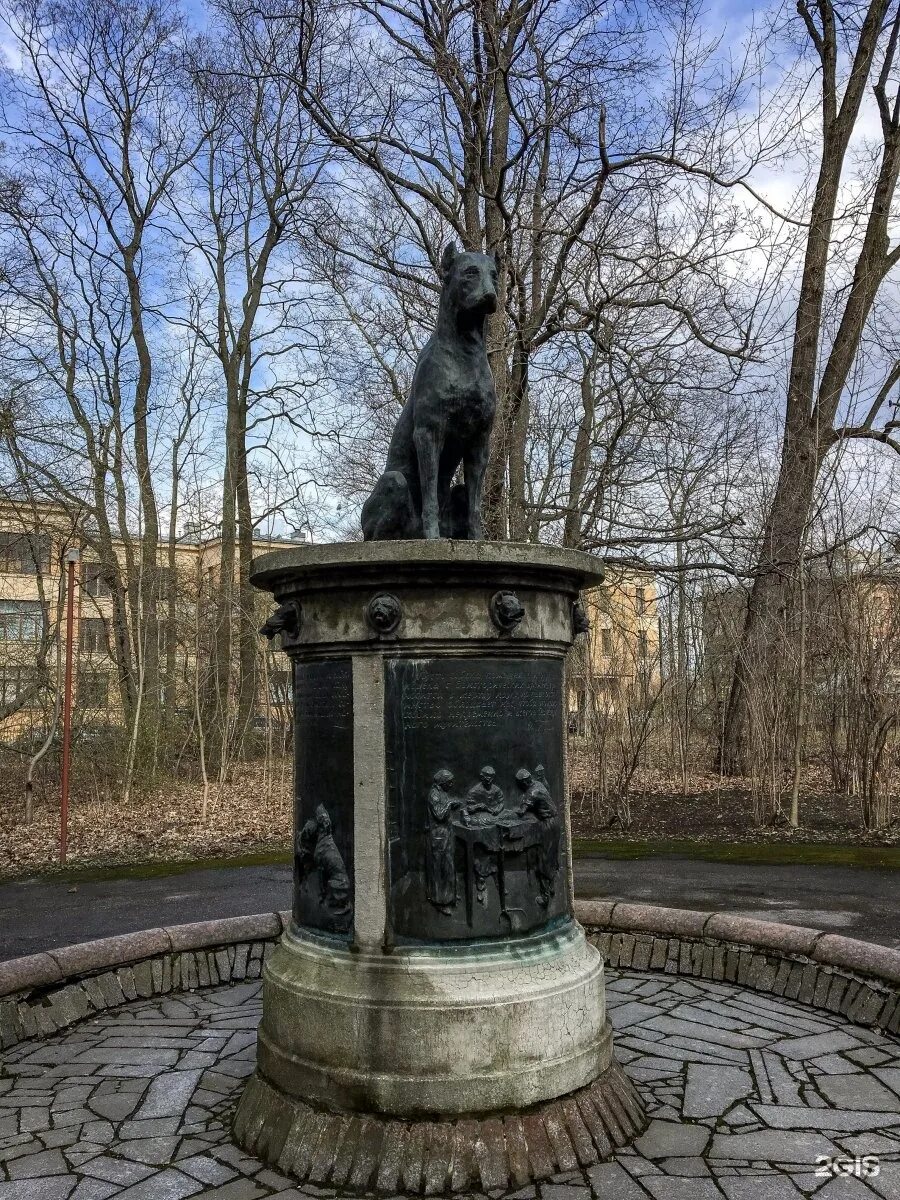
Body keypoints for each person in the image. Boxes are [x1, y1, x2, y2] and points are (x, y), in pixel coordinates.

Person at [515, 767, 560, 907]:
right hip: (555, 822)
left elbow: (522, 812)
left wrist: (512, 812)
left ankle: (545, 896)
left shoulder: (532, 792)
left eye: (520, 784)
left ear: (524, 783)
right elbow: (546, 785)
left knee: (543, 859)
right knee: (552, 856)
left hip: (547, 825)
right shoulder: (538, 784)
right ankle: (552, 886)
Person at [465, 765, 505, 905]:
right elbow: (468, 808)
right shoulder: (475, 791)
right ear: (481, 777)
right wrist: (479, 807)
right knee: (482, 850)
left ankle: (497, 878)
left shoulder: (496, 790)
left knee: (496, 850)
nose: (489, 779)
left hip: (494, 820)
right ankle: (481, 880)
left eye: (492, 777)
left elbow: (501, 803)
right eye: (487, 777)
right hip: (480, 821)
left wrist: (497, 809)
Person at [425, 768, 459, 913]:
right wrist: (450, 805)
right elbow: (439, 815)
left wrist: (451, 804)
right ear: (443, 782)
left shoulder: (443, 792)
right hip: (438, 836)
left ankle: (449, 896)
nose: (451, 784)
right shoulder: (434, 794)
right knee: (439, 869)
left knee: (448, 866)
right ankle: (439, 901)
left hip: (446, 835)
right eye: (449, 782)